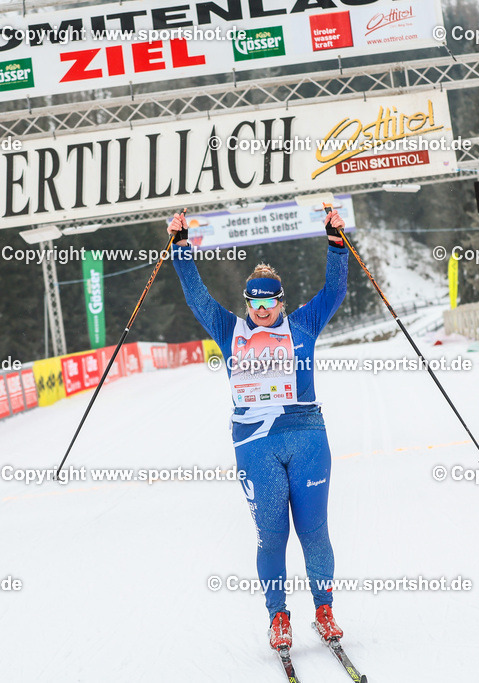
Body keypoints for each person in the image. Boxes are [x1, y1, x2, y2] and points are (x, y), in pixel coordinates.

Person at [167, 208, 349, 655]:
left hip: (307, 436)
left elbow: (335, 290)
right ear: (246, 303)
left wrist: (336, 242)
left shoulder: (303, 324)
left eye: (270, 302)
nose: (263, 310)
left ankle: (324, 610)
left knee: (314, 531)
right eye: (256, 302)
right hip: (255, 444)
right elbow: (197, 297)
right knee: (272, 536)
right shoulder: (229, 329)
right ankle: (278, 617)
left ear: (281, 301)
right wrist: (179, 247)